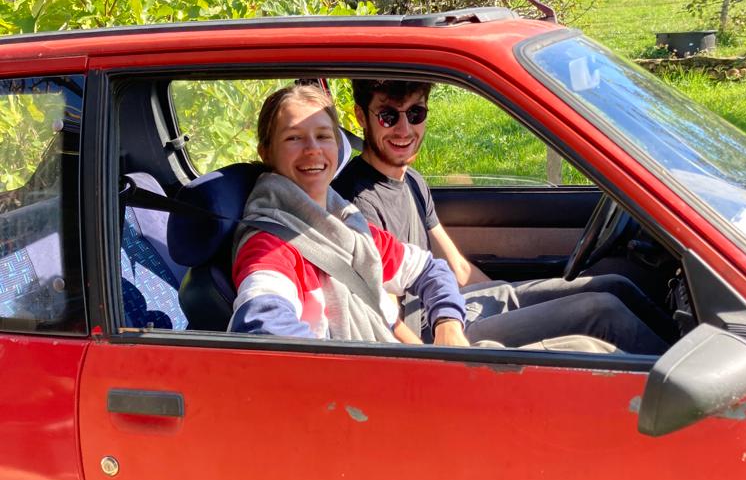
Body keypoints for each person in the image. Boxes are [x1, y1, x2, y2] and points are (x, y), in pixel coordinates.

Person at [332, 78, 673, 353]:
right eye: (388, 116)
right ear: (361, 116)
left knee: (614, 285)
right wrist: (434, 361)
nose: (405, 129)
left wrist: (509, 298)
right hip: (431, 332)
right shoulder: (357, 202)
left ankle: (679, 346)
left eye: (416, 113)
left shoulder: (412, 182)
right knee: (603, 312)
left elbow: (459, 268)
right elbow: (386, 316)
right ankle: (689, 397)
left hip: (452, 304)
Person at [229, 84, 470, 346]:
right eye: (294, 138)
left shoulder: (346, 224)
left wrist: (448, 324)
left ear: (337, 146)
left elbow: (429, 269)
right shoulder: (269, 244)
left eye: (323, 136)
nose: (313, 149)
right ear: (266, 152)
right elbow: (263, 323)